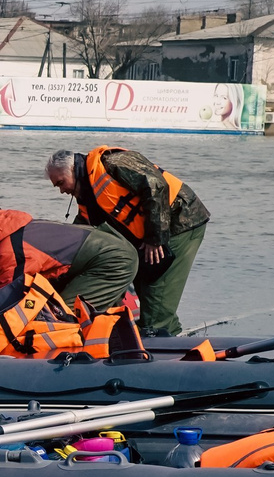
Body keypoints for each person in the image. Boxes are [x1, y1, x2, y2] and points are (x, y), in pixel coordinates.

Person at [46, 143, 210, 335]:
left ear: (73, 169)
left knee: (155, 292)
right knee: (146, 291)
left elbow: (156, 185)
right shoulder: (88, 196)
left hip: (181, 221)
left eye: (60, 182)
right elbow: (82, 234)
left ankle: (159, 338)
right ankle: (171, 335)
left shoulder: (113, 162)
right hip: (150, 236)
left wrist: (154, 238)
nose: (61, 191)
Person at [0, 205, 140, 351]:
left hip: (111, 260)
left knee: (63, 315)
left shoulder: (9, 250)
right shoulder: (11, 230)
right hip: (110, 248)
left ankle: (75, 358)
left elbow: (10, 299)